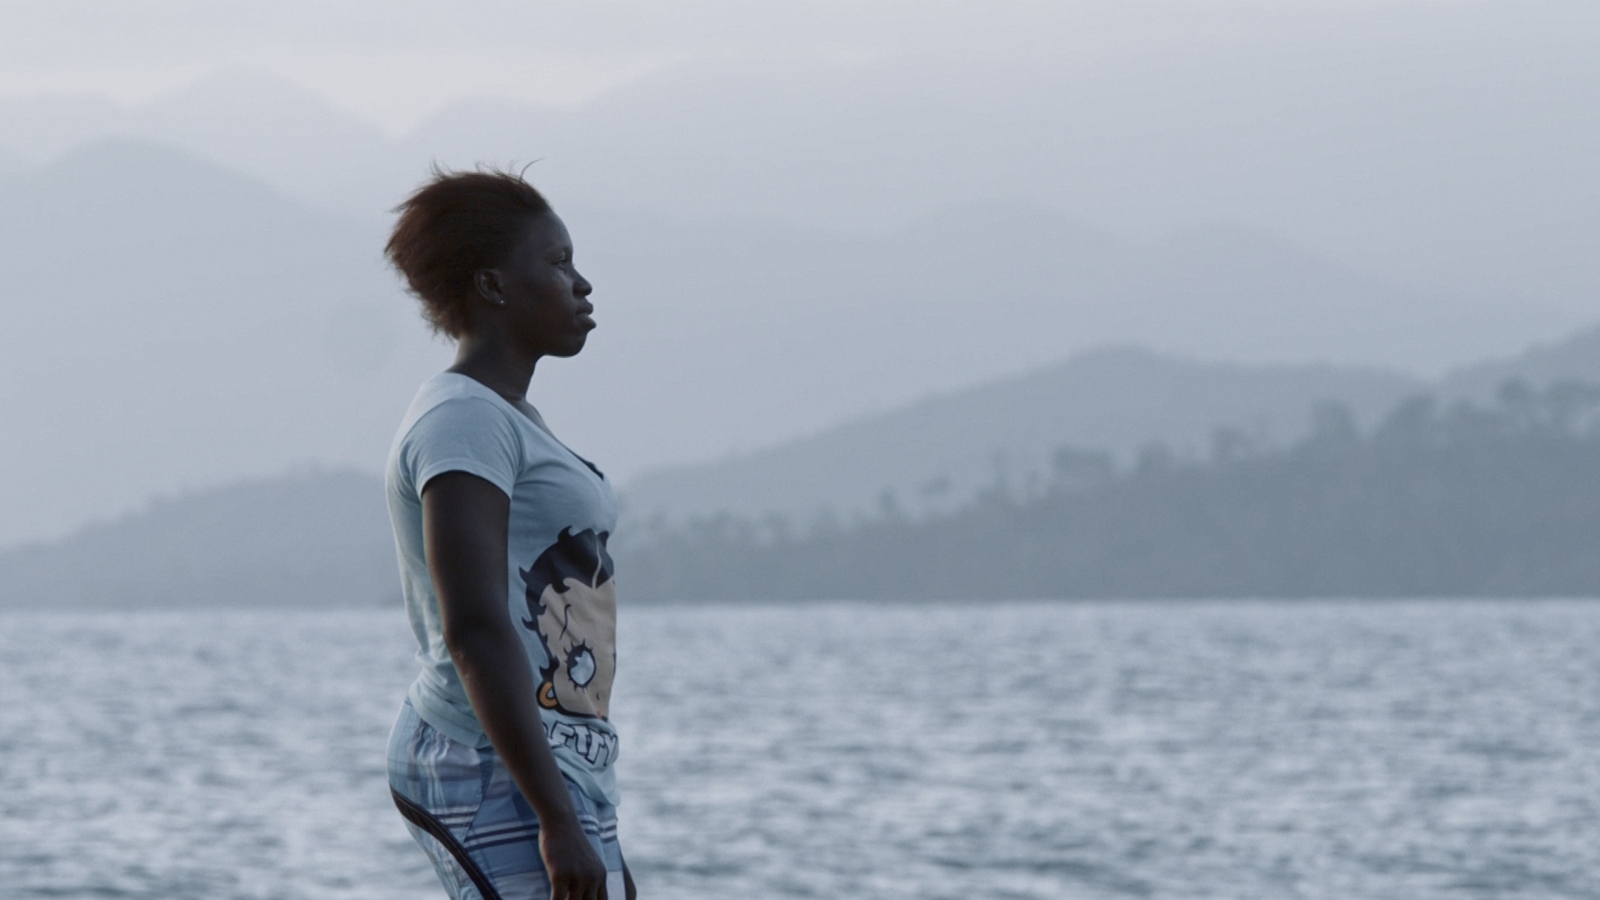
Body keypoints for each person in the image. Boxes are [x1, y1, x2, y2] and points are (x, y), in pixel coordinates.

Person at [381, 168, 635, 900]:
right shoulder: (462, 420)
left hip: (553, 759)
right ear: (492, 286)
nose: (581, 284)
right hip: (486, 758)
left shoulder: (507, 415)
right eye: (557, 264)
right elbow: (476, 626)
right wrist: (554, 818)